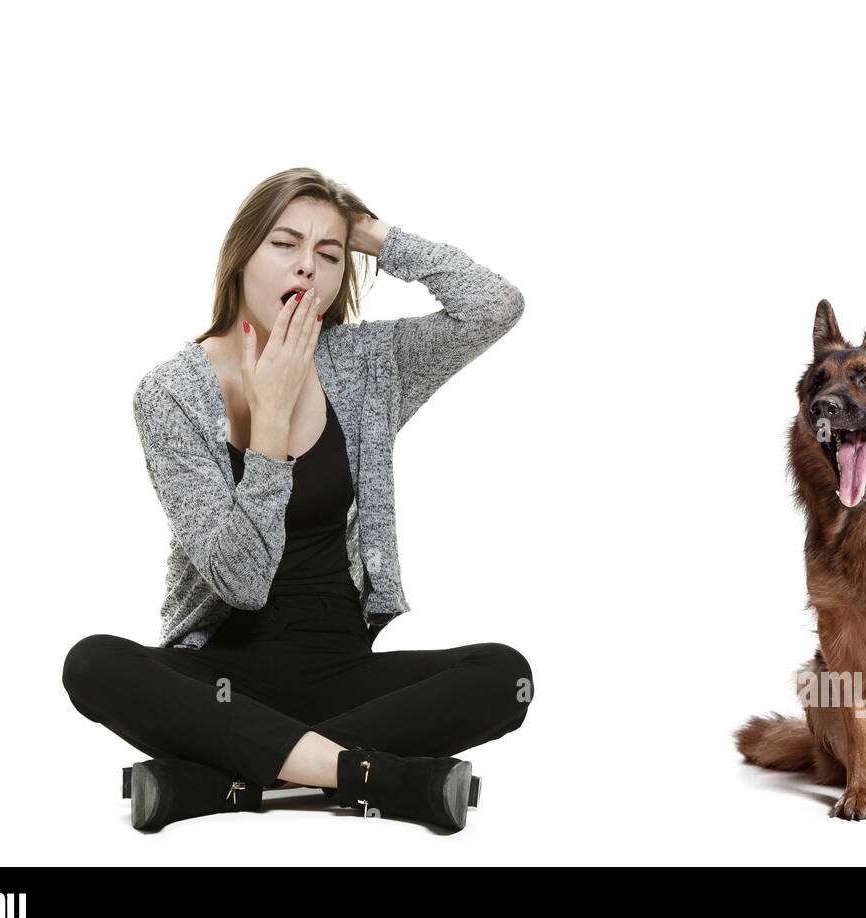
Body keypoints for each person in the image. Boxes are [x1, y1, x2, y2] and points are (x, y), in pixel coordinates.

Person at [61, 167, 531, 833]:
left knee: (505, 677)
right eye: (284, 244)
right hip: (224, 681)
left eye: (329, 254)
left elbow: (495, 305)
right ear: (242, 256)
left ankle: (224, 782)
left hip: (341, 667)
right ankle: (369, 776)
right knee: (93, 664)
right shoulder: (170, 393)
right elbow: (242, 584)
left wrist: (373, 233)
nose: (307, 268)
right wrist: (272, 427)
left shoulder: (368, 365)